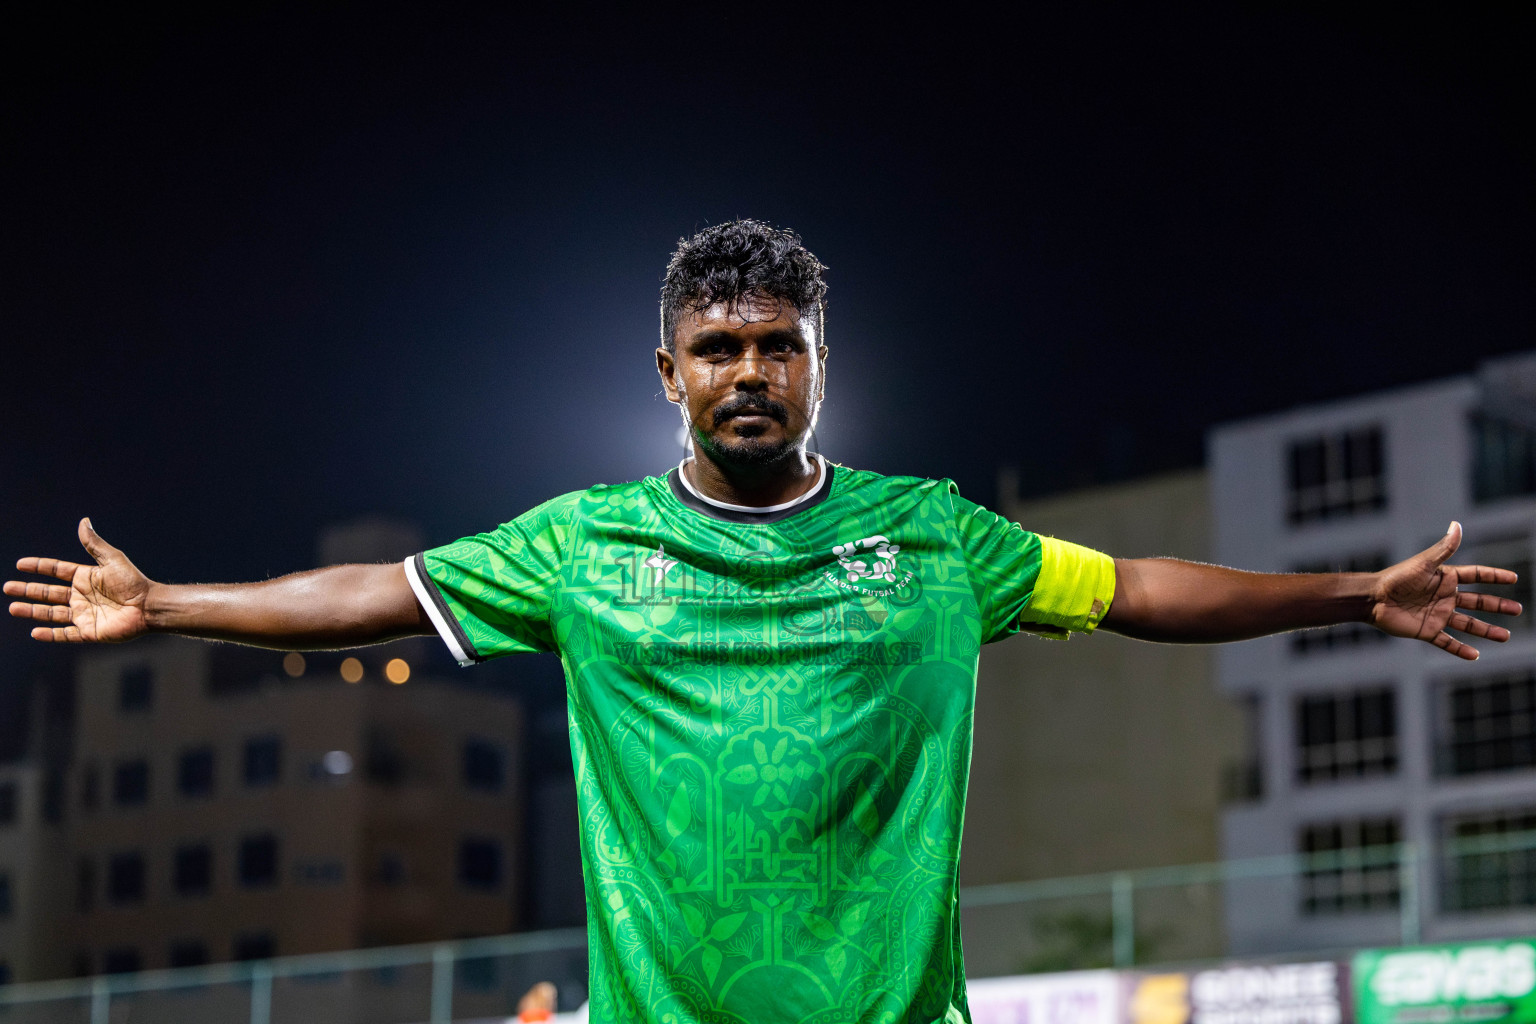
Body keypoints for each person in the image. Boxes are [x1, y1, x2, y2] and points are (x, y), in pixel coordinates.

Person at [6, 220, 1521, 1024]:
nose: (749, 371)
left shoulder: (935, 534)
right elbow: (372, 598)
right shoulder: (583, 544)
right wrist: (169, 602)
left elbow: (1135, 590)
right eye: (716, 348)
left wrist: (1349, 592)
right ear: (667, 372)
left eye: (777, 347)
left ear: (818, 366)